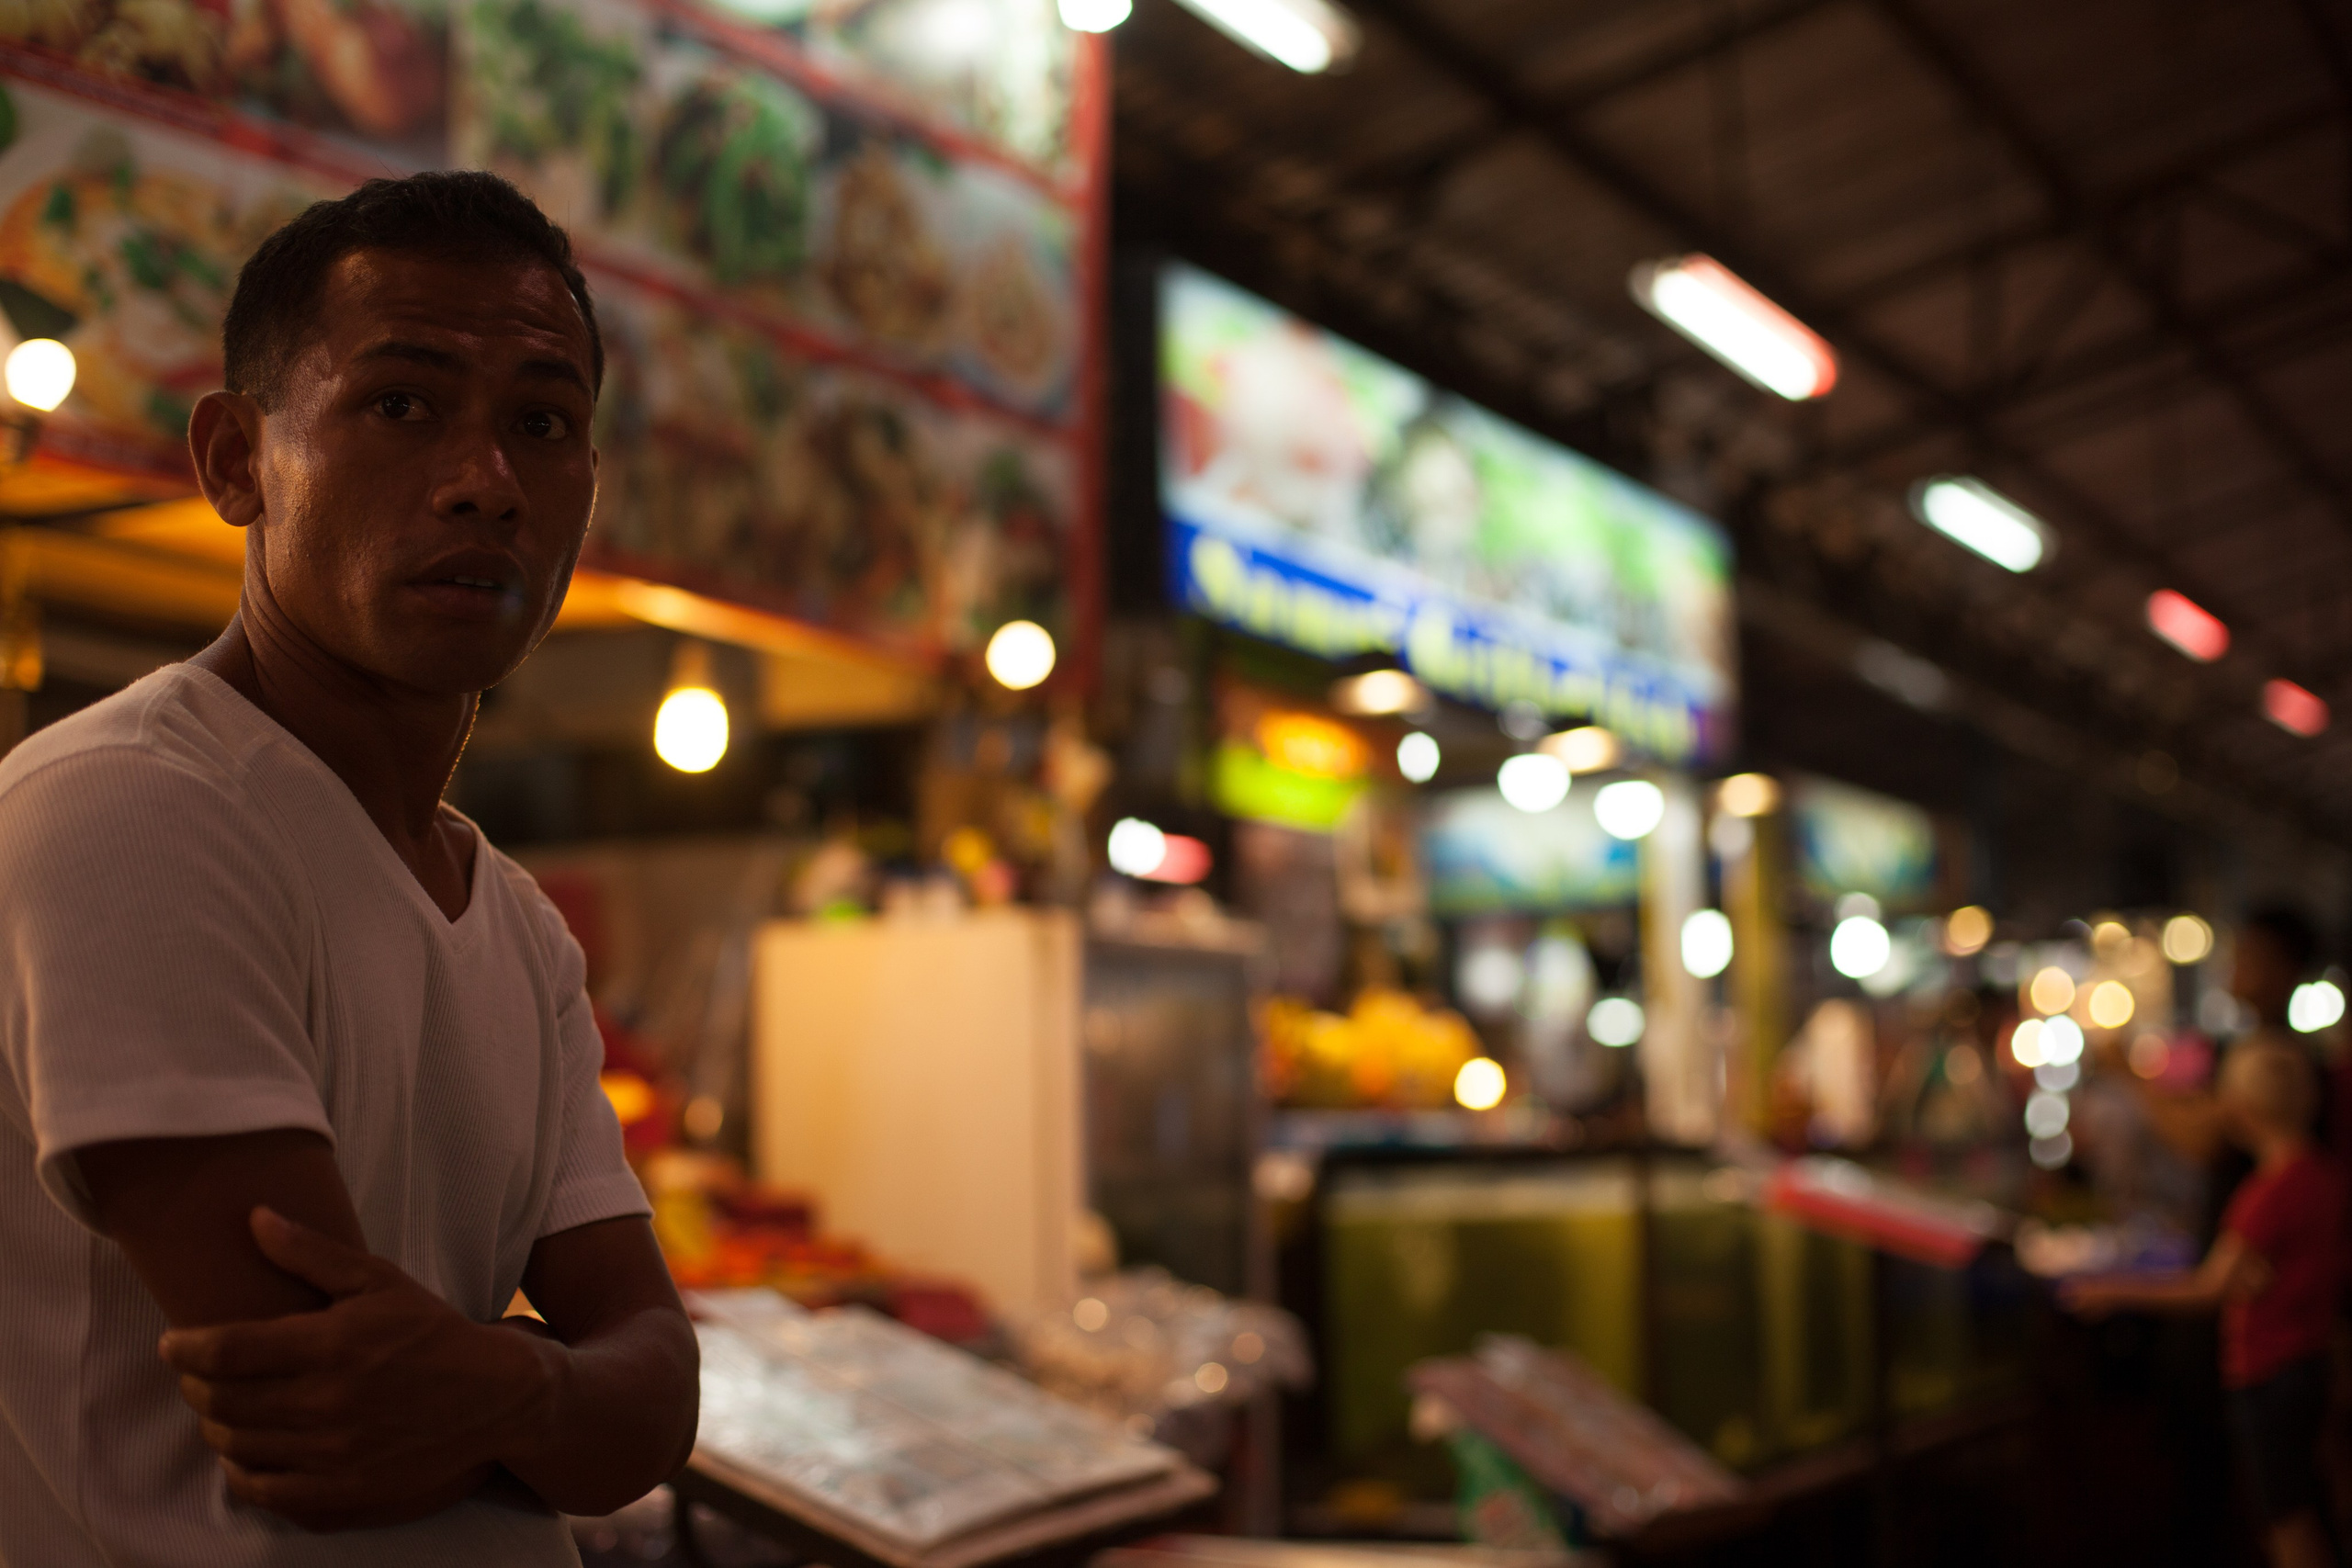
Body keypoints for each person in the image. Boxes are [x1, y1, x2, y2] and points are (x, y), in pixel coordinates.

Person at [0, 171, 699, 1563]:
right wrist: (556, 1387)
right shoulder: (133, 807)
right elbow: (324, 1425)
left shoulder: (510, 919)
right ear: (235, 458)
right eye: (401, 403)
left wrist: (498, 1382)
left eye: (542, 424)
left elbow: (660, 1396)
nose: (483, 482)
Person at [2064, 1043, 2346, 1568]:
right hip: (2312, 1361)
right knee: (2309, 1504)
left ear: (2241, 1109)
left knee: (2285, 1520)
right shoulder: (2324, 1177)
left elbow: (2208, 1288)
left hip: (2265, 1366)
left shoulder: (2264, 1194)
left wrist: (2111, 1290)